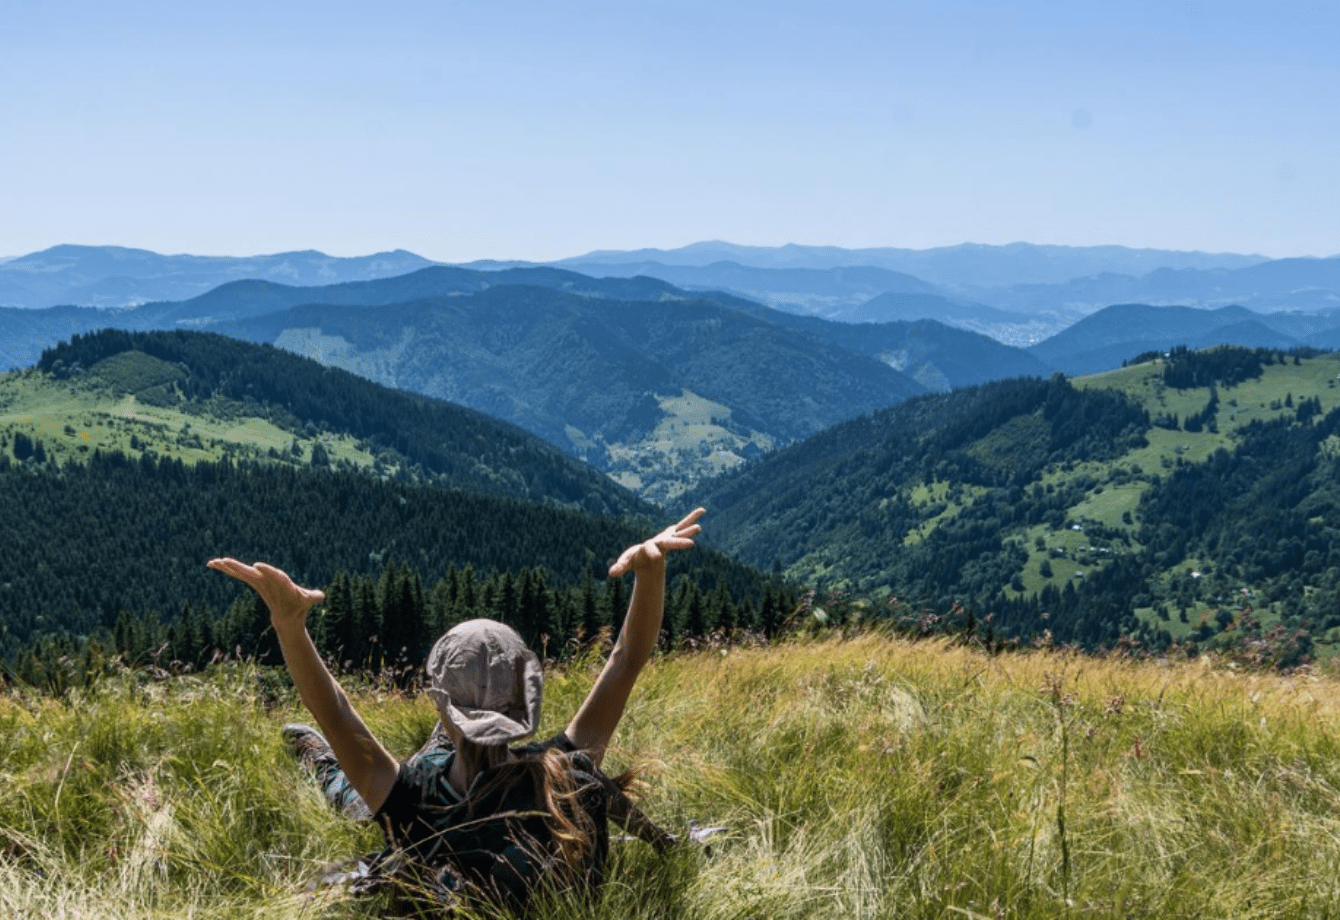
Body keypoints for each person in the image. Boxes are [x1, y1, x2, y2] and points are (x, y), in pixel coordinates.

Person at [207, 507, 705, 911]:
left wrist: (290, 624)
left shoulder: (412, 798)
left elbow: (334, 714)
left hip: (405, 790)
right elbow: (625, 661)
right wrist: (650, 572)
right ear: (527, 698)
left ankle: (307, 749)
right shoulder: (571, 775)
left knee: (348, 789)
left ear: (440, 708)